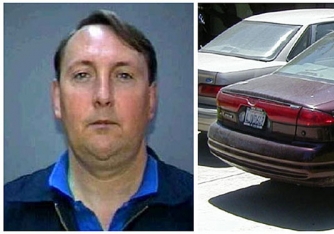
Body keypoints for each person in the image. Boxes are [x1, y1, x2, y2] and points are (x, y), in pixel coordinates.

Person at [4, 10, 194, 231]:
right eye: (82, 75)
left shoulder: (193, 211)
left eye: (123, 75)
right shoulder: (7, 211)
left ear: (151, 100)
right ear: (57, 99)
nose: (103, 96)